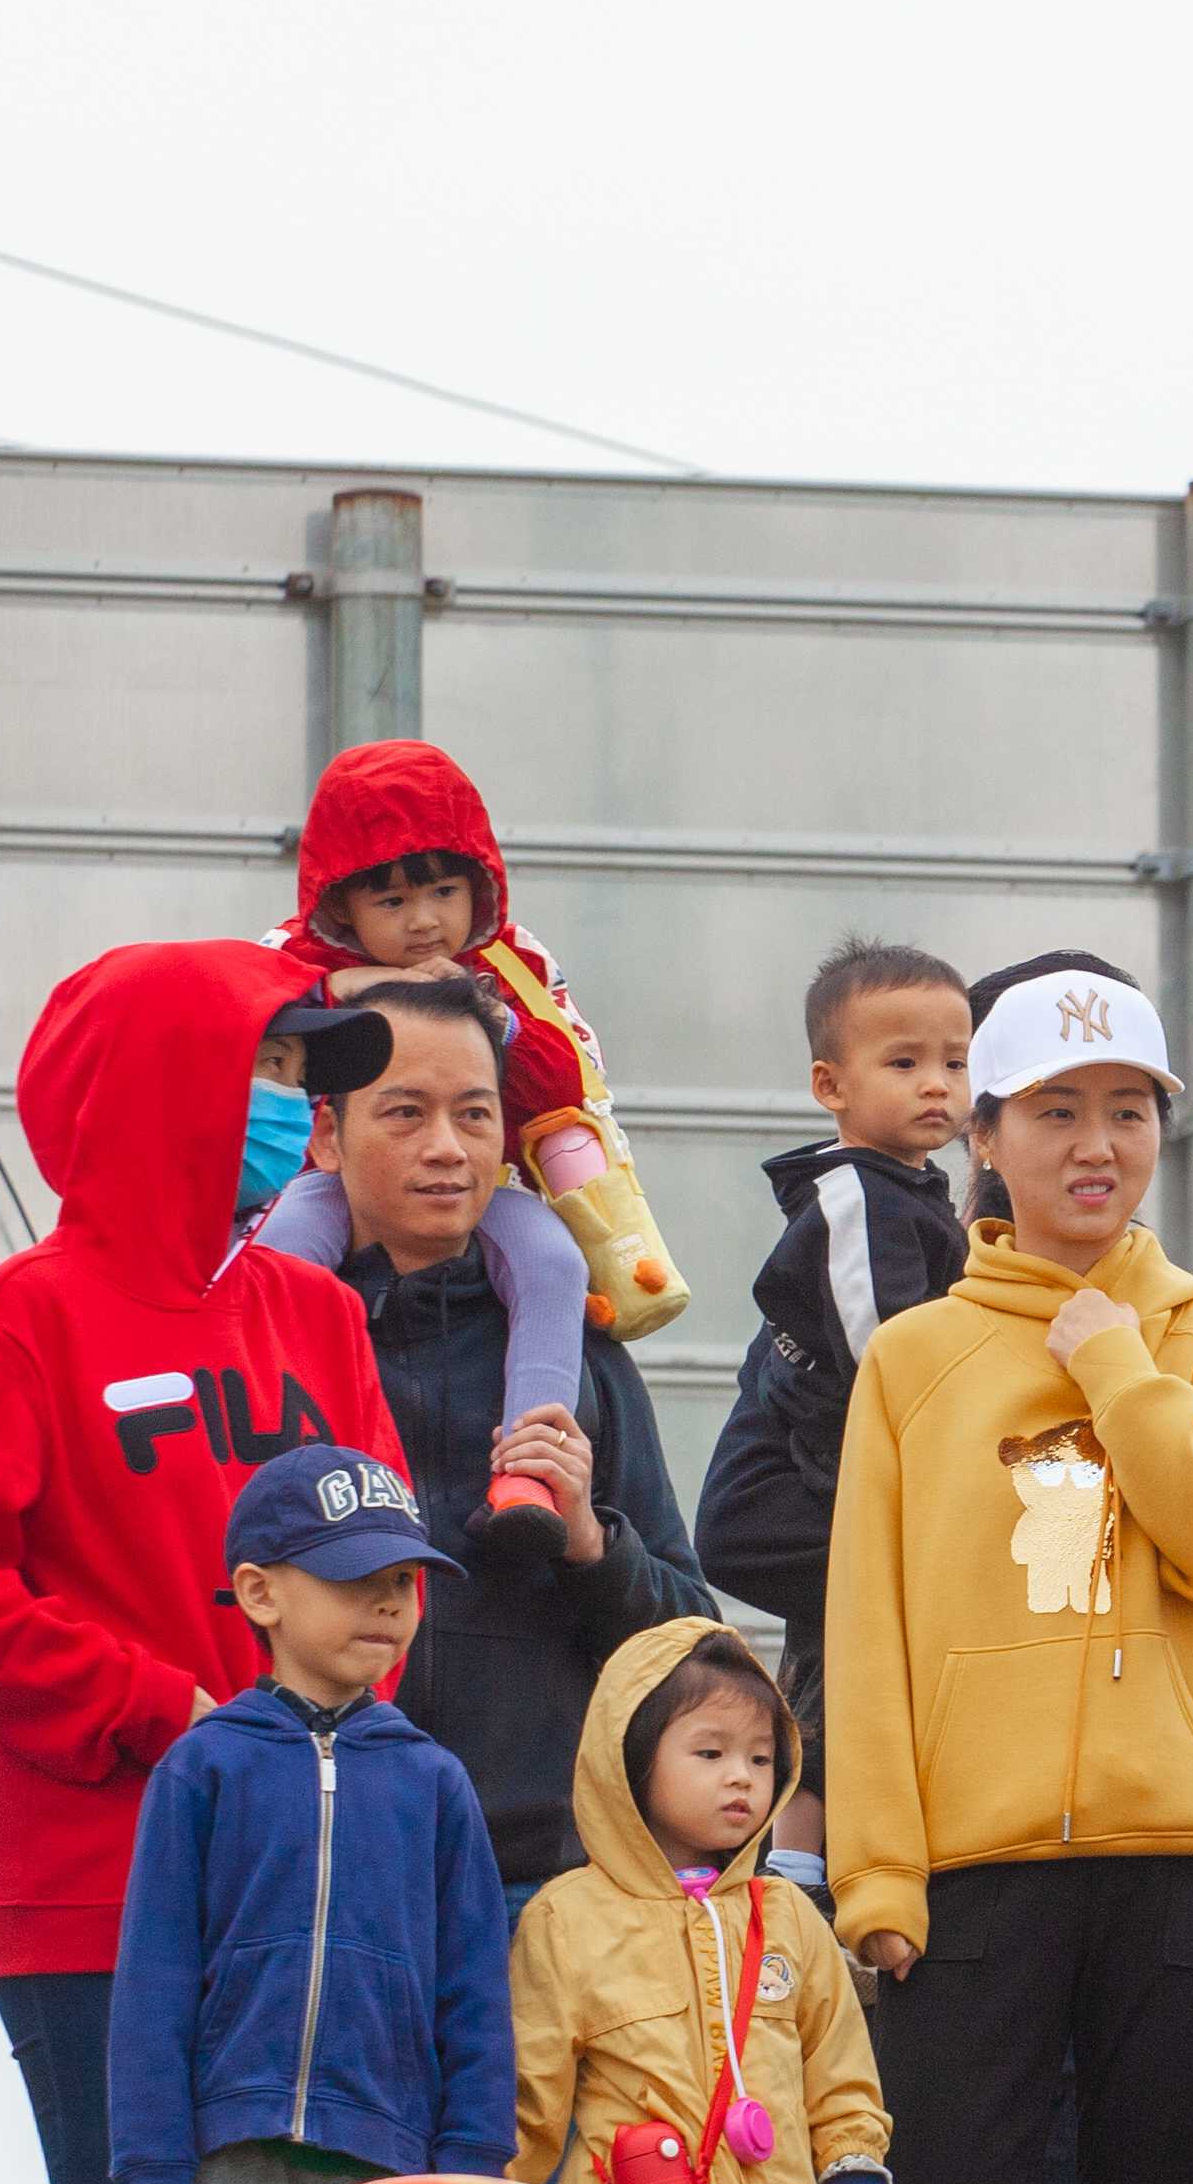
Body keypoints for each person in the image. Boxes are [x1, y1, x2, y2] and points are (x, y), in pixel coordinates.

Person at [820, 956, 1193, 2184]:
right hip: (979, 1865)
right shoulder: (912, 1360)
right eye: (1055, 1112)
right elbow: (868, 1631)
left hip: (1192, 1861)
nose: (1096, 1146)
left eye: (1128, 1111)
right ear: (984, 1134)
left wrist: (1116, 1361)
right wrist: (878, 1872)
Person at [0, 942, 405, 2184]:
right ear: (166, 1079)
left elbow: (390, 1555)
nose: (295, 1104)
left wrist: (320, 1751)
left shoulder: (320, 1314)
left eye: (301, 1076)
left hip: (307, 1881)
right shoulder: (26, 1313)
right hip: (96, 1884)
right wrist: (155, 1710)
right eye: (268, 1066)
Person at [305, 978, 711, 1906]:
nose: (447, 1148)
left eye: (474, 1114)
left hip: (541, 1884)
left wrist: (592, 1543)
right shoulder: (269, 1349)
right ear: (327, 1136)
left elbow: (692, 1644)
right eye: (405, 1113)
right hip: (315, 1870)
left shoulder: (578, 1358)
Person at [245, 742, 691, 1550]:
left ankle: (531, 1467)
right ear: (340, 906)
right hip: (327, 1183)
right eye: (391, 900)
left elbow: (570, 1081)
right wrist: (334, 991)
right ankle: (273, 1450)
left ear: (480, 886)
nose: (423, 922)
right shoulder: (289, 961)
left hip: (491, 1194)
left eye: (445, 893)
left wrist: (492, 1016)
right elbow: (225, 1018)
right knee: (276, 1263)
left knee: (552, 1263)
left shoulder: (515, 964)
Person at [103, 1444, 509, 2184]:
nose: (389, 1603)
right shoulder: (203, 1768)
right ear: (260, 1593)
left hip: (397, 2168)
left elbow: (476, 1993)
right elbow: (155, 1983)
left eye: (404, 1580)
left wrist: (472, 2170)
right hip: (230, 2160)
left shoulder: (434, 1782)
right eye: (357, 1578)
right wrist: (154, 2178)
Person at [696, 936, 976, 1880]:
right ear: (831, 1085)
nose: (936, 1085)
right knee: (848, 1626)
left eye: (954, 1063)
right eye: (903, 1063)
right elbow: (879, 1340)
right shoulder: (856, 1192)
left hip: (845, 1463)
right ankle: (800, 1855)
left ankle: (812, 1849)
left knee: (845, 1633)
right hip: (824, 1459)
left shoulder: (912, 1190)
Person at [507, 1618, 887, 2184]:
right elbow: (527, 2105)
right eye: (710, 1754)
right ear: (631, 1758)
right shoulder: (566, 1918)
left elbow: (840, 2073)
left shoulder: (789, 1916)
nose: (742, 1777)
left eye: (760, 1758)